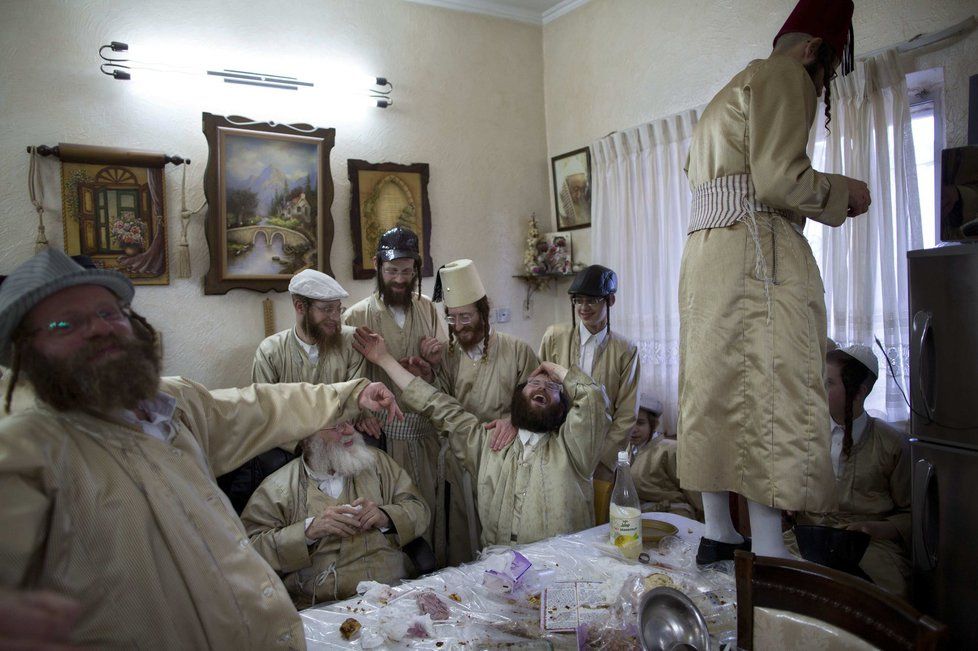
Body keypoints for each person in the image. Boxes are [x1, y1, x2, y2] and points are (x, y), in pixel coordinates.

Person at [0, 249, 401, 649]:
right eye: (64, 323)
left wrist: (353, 393)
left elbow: (259, 407)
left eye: (109, 313)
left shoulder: (170, 402)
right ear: (24, 351)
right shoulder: (25, 454)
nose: (98, 329)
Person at [677, 0, 873, 564]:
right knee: (773, 391)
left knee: (712, 392)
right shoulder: (786, 74)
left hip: (705, 254)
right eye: (827, 73)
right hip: (755, 250)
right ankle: (768, 553)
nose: (822, 84)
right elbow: (778, 178)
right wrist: (842, 192)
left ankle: (719, 533)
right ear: (814, 51)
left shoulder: (728, 92)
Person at [354, 326, 611, 547]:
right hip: (500, 572)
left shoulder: (574, 449)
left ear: (563, 405)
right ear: (516, 398)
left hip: (564, 571)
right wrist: (384, 359)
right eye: (534, 383)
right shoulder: (487, 445)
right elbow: (435, 404)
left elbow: (593, 401)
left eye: (553, 387)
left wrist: (553, 369)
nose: (542, 386)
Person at [342, 226, 455, 564]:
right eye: (392, 271)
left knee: (430, 511)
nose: (400, 280)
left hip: (425, 436)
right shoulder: (356, 316)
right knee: (389, 515)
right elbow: (345, 379)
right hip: (382, 439)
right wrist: (360, 412)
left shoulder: (427, 309)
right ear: (377, 266)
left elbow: (442, 379)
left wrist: (430, 368)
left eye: (407, 272)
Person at [217, 270, 370, 514]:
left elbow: (353, 401)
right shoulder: (270, 352)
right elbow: (266, 415)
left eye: (338, 309)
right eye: (326, 309)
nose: (335, 318)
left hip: (339, 447)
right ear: (300, 306)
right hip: (289, 453)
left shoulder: (351, 344)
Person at [422, 258, 540, 559]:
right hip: (460, 464)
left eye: (466, 317)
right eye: (452, 319)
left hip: (504, 462)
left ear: (483, 310)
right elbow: (441, 408)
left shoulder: (516, 351)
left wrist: (513, 420)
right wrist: (430, 371)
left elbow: (539, 404)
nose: (460, 327)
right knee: (463, 543)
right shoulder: (447, 357)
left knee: (503, 547)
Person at [241, 422, 430, 607]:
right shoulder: (277, 488)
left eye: (350, 421)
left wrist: (385, 516)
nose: (350, 430)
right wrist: (308, 531)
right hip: (324, 606)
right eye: (337, 426)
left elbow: (420, 510)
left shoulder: (377, 463)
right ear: (308, 437)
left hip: (392, 592)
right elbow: (248, 552)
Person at [788, 345, 911, 596]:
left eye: (829, 383)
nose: (819, 390)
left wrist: (875, 528)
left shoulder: (890, 443)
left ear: (858, 392)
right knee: (767, 578)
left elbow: (911, 514)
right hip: (808, 537)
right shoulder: (805, 434)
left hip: (869, 546)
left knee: (875, 601)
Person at [539, 264, 640, 525]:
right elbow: (540, 389)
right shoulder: (554, 337)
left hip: (602, 457)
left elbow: (627, 414)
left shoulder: (625, 350)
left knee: (598, 525)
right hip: (558, 449)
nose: (584, 308)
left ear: (611, 300)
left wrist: (604, 460)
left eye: (592, 300)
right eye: (579, 301)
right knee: (558, 522)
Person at [627, 395, 702, 521]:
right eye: (629, 423)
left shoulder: (670, 449)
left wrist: (703, 522)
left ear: (654, 424)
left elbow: (693, 491)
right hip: (638, 515)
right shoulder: (627, 450)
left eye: (640, 423)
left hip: (672, 514)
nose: (633, 429)